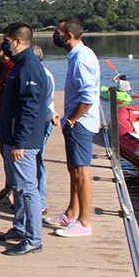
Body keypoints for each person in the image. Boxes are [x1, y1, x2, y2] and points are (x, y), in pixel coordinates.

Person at [0, 23, 48, 256]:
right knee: (17, 186)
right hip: (10, 137)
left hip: (22, 141)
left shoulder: (30, 67)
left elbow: (30, 108)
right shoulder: (18, 64)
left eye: (7, 40)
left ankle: (33, 239)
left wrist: (21, 142)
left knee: (27, 189)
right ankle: (19, 228)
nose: (4, 45)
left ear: (17, 41)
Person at [45, 17, 100, 237]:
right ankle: (71, 212)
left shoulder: (82, 59)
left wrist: (72, 119)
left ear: (69, 35)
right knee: (73, 170)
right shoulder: (76, 56)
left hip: (81, 123)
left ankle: (84, 223)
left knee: (82, 172)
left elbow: (88, 96)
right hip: (76, 121)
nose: (55, 36)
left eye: (58, 32)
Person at [33, 45, 61, 214]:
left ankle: (41, 202)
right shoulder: (41, 73)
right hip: (40, 120)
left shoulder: (43, 75)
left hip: (41, 122)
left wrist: (51, 116)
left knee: (37, 160)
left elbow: (44, 102)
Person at [0, 35, 15, 205]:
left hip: (9, 118)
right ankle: (8, 187)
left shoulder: (11, 66)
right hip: (1, 115)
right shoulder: (2, 66)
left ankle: (14, 192)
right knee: (5, 155)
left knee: (11, 156)